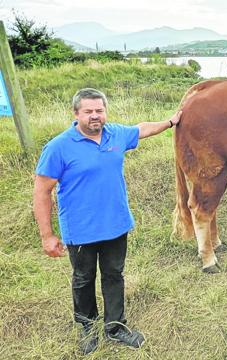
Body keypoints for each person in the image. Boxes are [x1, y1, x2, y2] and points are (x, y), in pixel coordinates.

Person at [33, 88, 181, 354]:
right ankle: (87, 327)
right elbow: (42, 191)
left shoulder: (116, 135)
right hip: (80, 229)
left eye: (99, 110)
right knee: (83, 278)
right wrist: (47, 235)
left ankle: (115, 326)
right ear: (76, 113)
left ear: (105, 112)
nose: (94, 116)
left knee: (114, 275)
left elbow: (142, 129)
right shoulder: (58, 147)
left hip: (115, 224)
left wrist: (171, 121)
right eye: (88, 111)